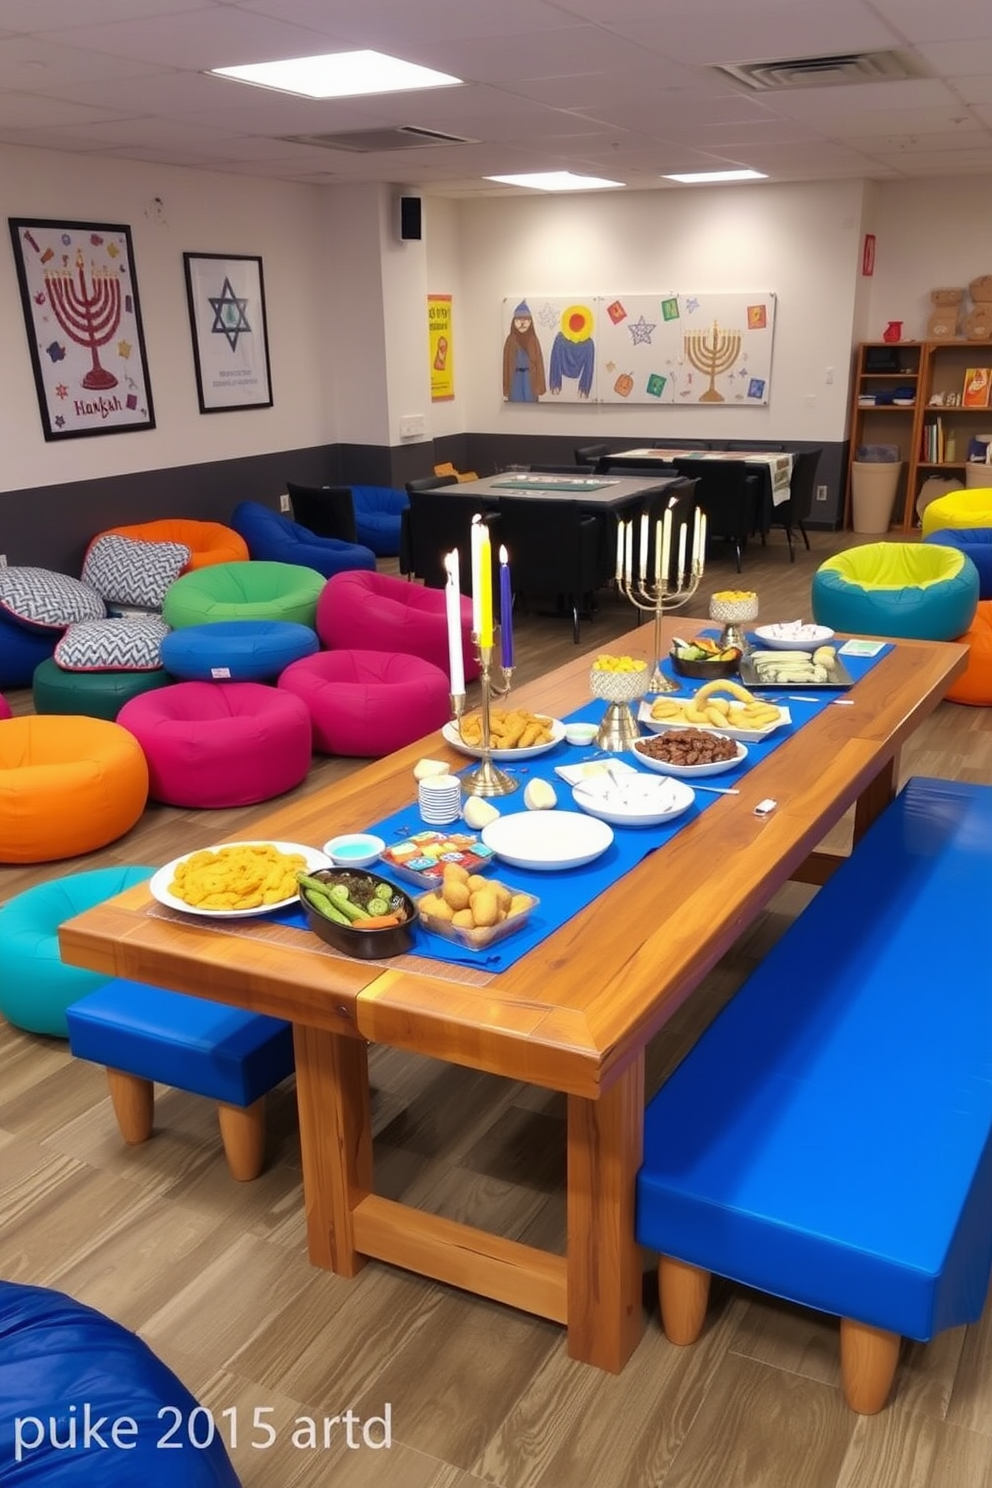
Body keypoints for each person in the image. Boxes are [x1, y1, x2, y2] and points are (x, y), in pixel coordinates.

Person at [502, 302, 546, 402]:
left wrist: (540, 386)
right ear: (513, 322)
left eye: (526, 319)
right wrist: (505, 388)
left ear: (531, 322)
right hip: (515, 378)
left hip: (530, 378)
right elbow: (506, 365)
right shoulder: (510, 340)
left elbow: (539, 363)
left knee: (531, 403)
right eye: (518, 320)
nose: (522, 323)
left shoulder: (533, 339)